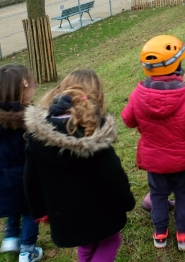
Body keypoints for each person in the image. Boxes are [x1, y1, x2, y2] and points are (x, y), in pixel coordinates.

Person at [23, 70, 135, 262]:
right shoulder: (94, 133)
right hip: (102, 210)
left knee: (86, 244)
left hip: (65, 213)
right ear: (96, 95)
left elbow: (30, 178)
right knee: (110, 241)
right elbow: (113, 174)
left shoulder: (38, 135)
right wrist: (126, 201)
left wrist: (39, 210)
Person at [122, 35, 185, 251]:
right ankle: (183, 234)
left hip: (154, 161)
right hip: (182, 161)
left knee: (158, 195)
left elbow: (127, 119)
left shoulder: (138, 93)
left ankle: (160, 233)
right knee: (184, 194)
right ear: (177, 66)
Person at [0, 65, 42, 262]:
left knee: (13, 203)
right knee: (29, 210)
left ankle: (10, 236)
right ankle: (27, 250)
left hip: (3, 175)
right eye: (33, 85)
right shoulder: (30, 118)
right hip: (26, 174)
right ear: (23, 88)